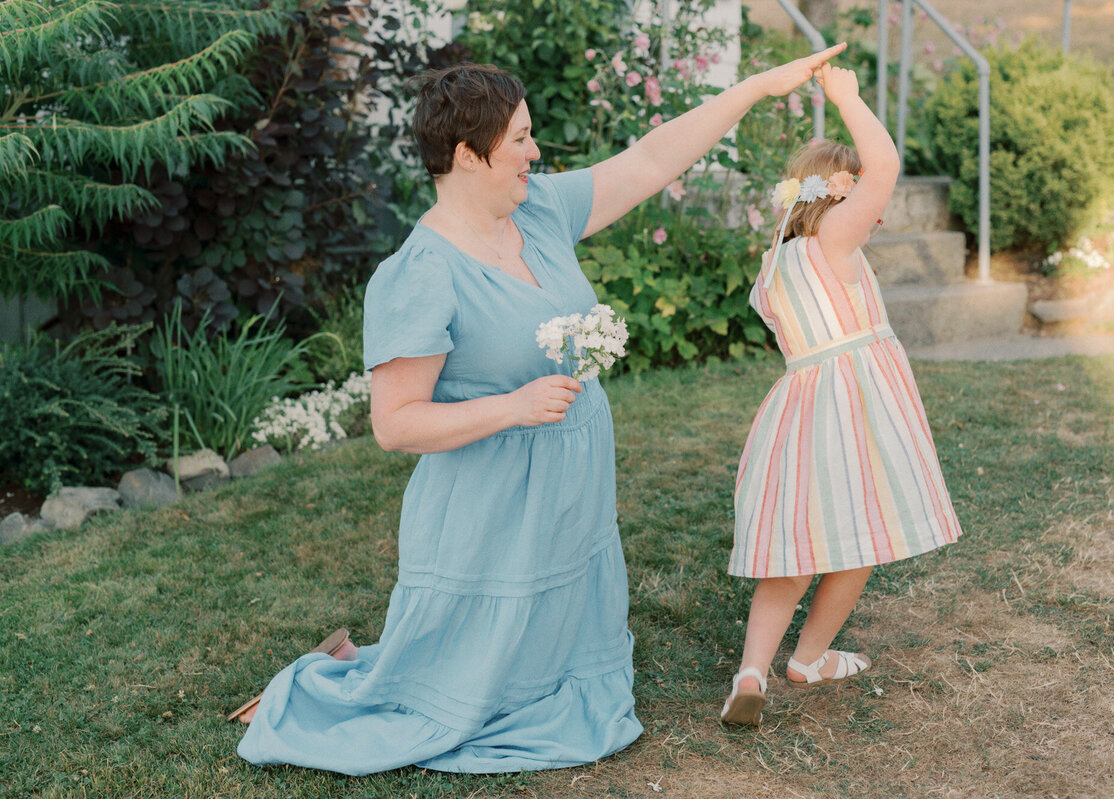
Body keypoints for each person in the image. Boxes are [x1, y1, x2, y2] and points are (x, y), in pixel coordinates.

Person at [233, 48, 847, 774]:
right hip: (489, 507)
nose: (534, 150)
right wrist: (513, 405)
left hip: (570, 488)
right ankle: (358, 681)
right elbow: (395, 423)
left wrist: (755, 88)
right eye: (519, 138)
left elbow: (651, 160)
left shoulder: (543, 208)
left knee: (555, 661)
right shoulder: (419, 273)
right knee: (457, 689)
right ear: (467, 154)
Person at [720, 63, 963, 727]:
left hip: (798, 409)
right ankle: (811, 657)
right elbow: (884, 165)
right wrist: (848, 99)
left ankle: (752, 668)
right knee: (862, 537)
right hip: (855, 407)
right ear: (837, 195)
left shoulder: (775, 265)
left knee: (795, 548)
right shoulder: (836, 238)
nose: (874, 207)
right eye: (859, 194)